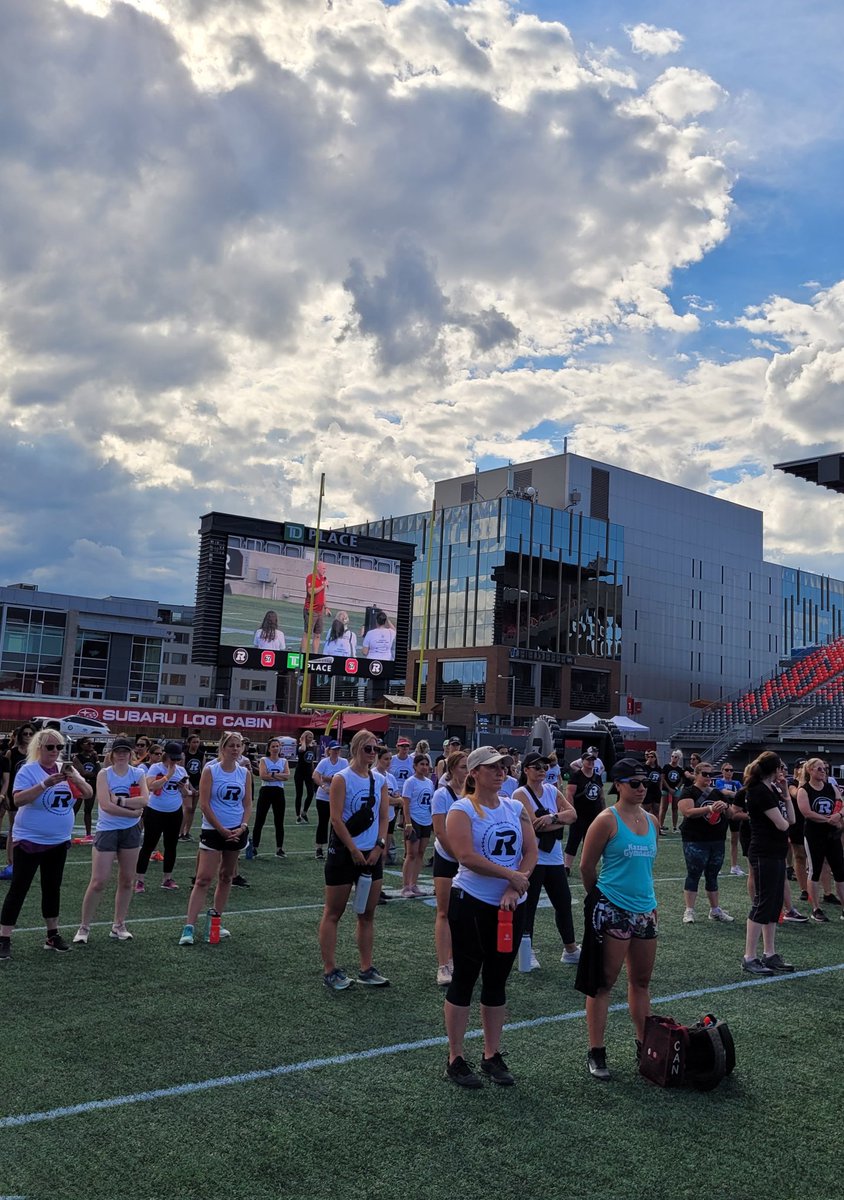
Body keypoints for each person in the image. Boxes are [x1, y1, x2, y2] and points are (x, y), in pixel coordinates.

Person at [442, 746, 538, 1088]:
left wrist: (516, 886)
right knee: (466, 976)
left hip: (509, 905)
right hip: (471, 900)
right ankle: (455, 1057)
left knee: (497, 980)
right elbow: (466, 856)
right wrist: (508, 876)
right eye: (494, 767)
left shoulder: (516, 807)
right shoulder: (462, 809)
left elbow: (530, 851)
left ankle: (491, 1054)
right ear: (475, 773)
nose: (502, 772)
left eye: (504, 767)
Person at [576, 758, 659, 1081]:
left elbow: (647, 870)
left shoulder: (651, 819)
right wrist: (600, 900)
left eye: (645, 783)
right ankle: (596, 1050)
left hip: (644, 910)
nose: (642, 788)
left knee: (641, 982)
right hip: (612, 909)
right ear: (619, 785)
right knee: (603, 983)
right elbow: (586, 866)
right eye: (634, 783)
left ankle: (644, 1046)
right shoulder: (606, 820)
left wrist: (650, 905)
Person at [0, 730, 93, 960]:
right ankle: (4, 938)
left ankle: (52, 935)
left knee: (52, 888)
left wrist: (75, 777)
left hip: (57, 841)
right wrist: (45, 783)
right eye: (50, 747)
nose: (55, 752)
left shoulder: (65, 769)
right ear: (39, 748)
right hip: (30, 839)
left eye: (59, 747)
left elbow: (88, 793)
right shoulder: (28, 770)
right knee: (19, 888)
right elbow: (18, 799)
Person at [318, 729, 390, 990]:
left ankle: (366, 968)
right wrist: (353, 849)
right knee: (333, 912)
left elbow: (384, 817)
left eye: (376, 749)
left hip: (371, 854)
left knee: (367, 913)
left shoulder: (379, 780)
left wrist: (379, 846)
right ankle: (330, 969)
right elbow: (335, 818)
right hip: (345, 854)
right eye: (367, 748)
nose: (372, 753)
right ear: (356, 748)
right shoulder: (342, 778)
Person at [179, 732, 253, 946]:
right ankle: (189, 926)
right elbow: (204, 804)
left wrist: (242, 826)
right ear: (223, 747)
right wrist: (220, 828)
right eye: (231, 745)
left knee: (227, 876)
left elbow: (247, 804)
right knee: (203, 878)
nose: (235, 749)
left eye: (238, 746)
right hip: (213, 830)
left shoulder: (244, 773)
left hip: (236, 830)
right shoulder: (211, 770)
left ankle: (215, 922)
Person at [74, 736, 150, 945]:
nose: (122, 754)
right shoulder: (104, 774)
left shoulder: (138, 773)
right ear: (112, 754)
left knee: (127, 880)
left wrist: (121, 800)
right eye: (119, 751)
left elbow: (144, 800)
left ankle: (119, 924)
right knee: (98, 881)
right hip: (108, 830)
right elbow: (105, 806)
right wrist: (132, 812)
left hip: (130, 832)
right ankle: (84, 927)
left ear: (131, 753)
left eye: (126, 750)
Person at [514, 753, 579, 970]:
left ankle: (570, 949)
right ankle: (526, 951)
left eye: (545, 766)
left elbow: (572, 814)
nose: (542, 770)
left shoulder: (552, 790)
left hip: (554, 858)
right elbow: (533, 825)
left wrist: (552, 818)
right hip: (532, 858)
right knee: (528, 905)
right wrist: (560, 821)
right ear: (526, 770)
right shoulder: (520, 793)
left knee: (563, 903)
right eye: (537, 766)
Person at [742, 752, 799, 975]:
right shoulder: (758, 791)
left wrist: (785, 794)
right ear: (775, 770)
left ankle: (769, 953)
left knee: (774, 904)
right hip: (763, 852)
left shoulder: (771, 790)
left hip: (775, 852)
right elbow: (783, 825)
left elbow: (791, 820)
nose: (783, 772)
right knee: (762, 903)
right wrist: (783, 800)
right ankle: (749, 956)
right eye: (781, 768)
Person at [678, 761, 735, 924]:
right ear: (696, 775)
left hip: (716, 839)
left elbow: (731, 815)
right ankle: (689, 910)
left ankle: (715, 909)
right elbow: (687, 812)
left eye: (710, 774)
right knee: (694, 873)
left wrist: (725, 807)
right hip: (695, 839)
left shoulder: (717, 793)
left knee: (713, 875)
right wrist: (710, 809)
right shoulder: (689, 791)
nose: (708, 777)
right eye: (704, 774)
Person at [431, 750, 468, 986]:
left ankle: (458, 960)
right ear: (453, 769)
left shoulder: (473, 794)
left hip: (467, 859)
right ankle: (444, 965)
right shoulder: (441, 794)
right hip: (448, 858)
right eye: (464, 766)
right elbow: (441, 831)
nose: (467, 771)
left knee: (464, 914)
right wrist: (460, 856)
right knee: (444, 911)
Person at [135, 741, 190, 892]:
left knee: (171, 846)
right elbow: (151, 786)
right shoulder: (155, 767)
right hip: (155, 811)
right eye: (173, 758)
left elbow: (186, 794)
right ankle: (140, 879)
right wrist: (168, 776)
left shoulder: (182, 771)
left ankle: (167, 878)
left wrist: (183, 788)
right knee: (148, 845)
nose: (175, 761)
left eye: (177, 759)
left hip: (174, 812)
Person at [796, 758, 844, 923]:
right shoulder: (804, 790)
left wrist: (839, 814)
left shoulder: (831, 787)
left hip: (832, 835)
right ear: (810, 770)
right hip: (814, 835)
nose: (823, 771)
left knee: (839, 870)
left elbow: (840, 802)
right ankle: (816, 908)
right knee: (814, 870)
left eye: (824, 769)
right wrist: (828, 819)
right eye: (819, 769)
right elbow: (807, 812)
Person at [2, 723, 36, 877]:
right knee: (13, 828)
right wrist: (6, 796)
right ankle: (11, 862)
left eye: (30, 734)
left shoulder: (37, 753)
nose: (28, 736)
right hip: (15, 795)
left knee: (29, 827)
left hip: (33, 795)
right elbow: (7, 777)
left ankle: (25, 862)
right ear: (20, 736)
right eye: (25, 734)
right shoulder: (12, 752)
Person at [564, 751, 604, 872]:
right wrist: (571, 810)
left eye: (593, 760)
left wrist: (604, 811)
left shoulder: (597, 776)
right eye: (588, 760)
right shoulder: (577, 776)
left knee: (590, 841)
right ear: (582, 762)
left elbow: (601, 795)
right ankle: (567, 866)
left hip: (594, 814)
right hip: (580, 813)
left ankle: (586, 865)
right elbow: (570, 794)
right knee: (574, 839)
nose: (591, 762)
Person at [401, 753, 434, 898]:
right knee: (411, 854)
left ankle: (414, 884)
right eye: (422, 764)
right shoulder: (410, 782)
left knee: (421, 853)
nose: (425, 767)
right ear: (415, 766)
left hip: (426, 820)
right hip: (414, 820)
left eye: (426, 764)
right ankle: (405, 886)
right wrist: (407, 823)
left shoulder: (429, 782)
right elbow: (405, 804)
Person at [253, 737, 290, 858]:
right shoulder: (264, 760)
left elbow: (287, 776)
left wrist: (272, 774)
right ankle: (254, 847)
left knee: (279, 821)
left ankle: (279, 849)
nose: (275, 748)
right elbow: (263, 776)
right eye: (273, 746)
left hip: (278, 791)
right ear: (269, 748)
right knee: (260, 819)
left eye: (277, 746)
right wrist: (278, 775)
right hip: (266, 791)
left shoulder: (284, 761)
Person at [314, 741, 347, 861]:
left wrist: (329, 778)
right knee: (323, 823)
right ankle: (319, 848)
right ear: (329, 750)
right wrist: (324, 786)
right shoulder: (324, 762)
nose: (336, 752)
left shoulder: (344, 762)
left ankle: (333, 848)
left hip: (337, 798)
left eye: (338, 749)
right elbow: (316, 776)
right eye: (334, 749)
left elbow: (345, 777)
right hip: (323, 797)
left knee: (336, 823)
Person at [714, 762, 744, 875]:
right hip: (723, 811)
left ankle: (734, 865)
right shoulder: (719, 781)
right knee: (720, 839)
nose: (729, 772)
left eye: (731, 770)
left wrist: (735, 794)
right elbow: (723, 792)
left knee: (734, 839)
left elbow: (742, 793)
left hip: (734, 813)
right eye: (727, 770)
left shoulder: (737, 782)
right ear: (722, 771)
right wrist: (735, 794)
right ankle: (717, 865)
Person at [373, 744, 400, 868]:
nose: (388, 762)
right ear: (378, 759)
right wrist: (396, 800)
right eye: (385, 759)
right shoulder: (372, 775)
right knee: (375, 851)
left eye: (390, 759)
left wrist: (396, 799)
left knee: (384, 852)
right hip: (376, 817)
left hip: (390, 817)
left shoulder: (391, 777)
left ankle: (379, 882)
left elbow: (396, 795)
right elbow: (381, 799)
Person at [71, 737, 101, 843]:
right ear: (81, 745)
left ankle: (88, 834)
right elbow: (83, 773)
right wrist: (93, 775)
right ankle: (67, 831)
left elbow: (99, 772)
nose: (91, 745)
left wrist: (97, 760)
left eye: (92, 744)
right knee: (74, 809)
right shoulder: (77, 758)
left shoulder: (94, 757)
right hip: (79, 785)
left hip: (91, 785)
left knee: (88, 810)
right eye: (88, 743)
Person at [180, 733, 205, 840]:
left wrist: (200, 786)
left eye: (197, 742)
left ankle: (187, 832)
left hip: (197, 782)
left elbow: (203, 771)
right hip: (187, 783)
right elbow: (183, 771)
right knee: (187, 807)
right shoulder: (184, 754)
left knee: (193, 809)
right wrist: (190, 786)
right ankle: (180, 832)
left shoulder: (201, 754)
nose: (196, 744)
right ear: (189, 743)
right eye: (194, 742)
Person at [302, 561, 330, 652]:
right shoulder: (311, 578)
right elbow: (310, 591)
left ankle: (315, 654)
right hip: (311, 610)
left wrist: (326, 607)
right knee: (308, 633)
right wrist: (323, 585)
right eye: (323, 568)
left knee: (318, 634)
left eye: (325, 568)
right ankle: (303, 653)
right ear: (317, 568)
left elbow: (323, 595)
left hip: (319, 610)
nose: (325, 570)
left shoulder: (323, 579)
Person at [294, 730, 318, 823]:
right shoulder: (300, 747)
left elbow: (311, 761)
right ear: (304, 737)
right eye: (309, 737)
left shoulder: (312, 748)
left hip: (309, 773)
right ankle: (298, 815)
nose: (311, 739)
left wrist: (313, 771)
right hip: (300, 772)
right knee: (299, 794)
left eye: (312, 737)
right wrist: (303, 740)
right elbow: (303, 749)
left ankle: (304, 812)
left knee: (311, 793)